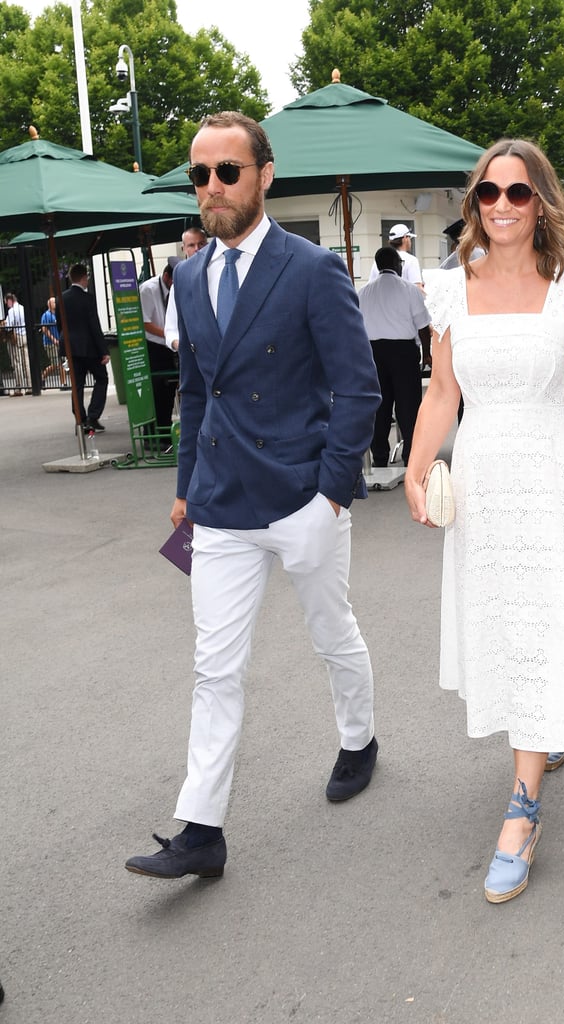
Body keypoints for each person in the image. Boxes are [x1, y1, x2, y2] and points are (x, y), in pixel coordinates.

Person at [125, 110, 381, 881]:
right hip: (222, 504)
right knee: (214, 667)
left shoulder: (309, 268)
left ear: (264, 176)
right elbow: (196, 392)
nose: (211, 187)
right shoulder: (190, 276)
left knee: (330, 631)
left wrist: (330, 495)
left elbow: (358, 389)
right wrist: (185, 490)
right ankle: (201, 830)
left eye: (226, 172)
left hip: (301, 496)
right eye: (199, 174)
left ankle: (359, 737)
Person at [404, 138, 564, 904]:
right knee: (507, 625)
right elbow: (441, 393)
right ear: (474, 206)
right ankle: (543, 737)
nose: (501, 205)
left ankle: (522, 811)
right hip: (483, 482)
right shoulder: (450, 291)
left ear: (542, 203)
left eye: (518, 193)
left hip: (550, 476)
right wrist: (413, 464)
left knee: (537, 622)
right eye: (488, 194)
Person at [358, 246, 431, 466]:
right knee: (408, 406)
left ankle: (379, 457)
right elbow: (423, 326)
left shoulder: (363, 292)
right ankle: (411, 455)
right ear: (397, 265)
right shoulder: (409, 290)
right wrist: (426, 354)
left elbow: (356, 328)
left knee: (379, 407)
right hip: (403, 352)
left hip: (372, 353)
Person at [59, 264, 110, 432]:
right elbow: (94, 325)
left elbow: (60, 324)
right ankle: (93, 416)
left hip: (71, 347)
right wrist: (104, 350)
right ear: (83, 278)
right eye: (86, 277)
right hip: (89, 348)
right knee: (102, 378)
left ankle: (79, 420)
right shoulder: (88, 298)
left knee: (77, 384)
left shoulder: (62, 298)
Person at [139, 264, 178, 431]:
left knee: (168, 390)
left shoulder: (171, 290)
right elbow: (145, 323)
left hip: (167, 346)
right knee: (157, 391)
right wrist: (169, 334)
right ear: (167, 277)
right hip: (154, 346)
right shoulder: (148, 289)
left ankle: (165, 427)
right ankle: (154, 431)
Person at [165, 227, 208, 352]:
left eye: (201, 244)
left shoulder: (222, 272)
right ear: (183, 249)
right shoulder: (179, 283)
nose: (197, 249)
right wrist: (181, 346)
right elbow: (171, 330)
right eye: (191, 245)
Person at [3, 292, 29, 396]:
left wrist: (5, 324)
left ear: (10, 300)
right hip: (25, 336)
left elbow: (9, 327)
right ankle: (30, 385)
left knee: (17, 362)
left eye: (6, 302)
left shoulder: (12, 311)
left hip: (16, 337)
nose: (7, 305)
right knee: (26, 361)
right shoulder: (23, 308)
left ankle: (19, 386)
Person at [40, 297, 66, 387]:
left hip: (59, 342)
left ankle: (63, 383)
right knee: (57, 363)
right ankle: (43, 377)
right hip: (50, 343)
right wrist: (53, 339)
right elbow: (44, 329)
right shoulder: (46, 315)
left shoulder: (58, 314)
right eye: (54, 302)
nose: (56, 303)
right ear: (49, 304)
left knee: (61, 363)